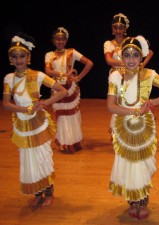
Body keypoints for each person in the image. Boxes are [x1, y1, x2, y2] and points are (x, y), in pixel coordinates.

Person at [107, 35, 159, 220]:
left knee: (143, 163)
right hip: (123, 126)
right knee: (127, 162)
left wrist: (152, 102)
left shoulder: (150, 74)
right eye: (127, 55)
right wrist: (133, 111)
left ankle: (143, 200)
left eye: (135, 55)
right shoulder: (116, 76)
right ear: (121, 57)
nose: (131, 59)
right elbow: (111, 106)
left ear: (141, 57)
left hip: (144, 127)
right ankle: (132, 200)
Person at [2, 32, 68, 208]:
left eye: (22, 56)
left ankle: (49, 192)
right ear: (10, 59)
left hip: (39, 124)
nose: (18, 60)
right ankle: (37, 192)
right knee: (28, 160)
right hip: (22, 125)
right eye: (14, 57)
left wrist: (44, 103)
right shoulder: (8, 78)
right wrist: (25, 109)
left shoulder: (38, 75)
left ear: (28, 56)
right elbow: (6, 104)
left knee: (42, 157)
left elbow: (63, 91)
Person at [104, 13, 154, 138]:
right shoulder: (108, 44)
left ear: (125, 29)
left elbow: (150, 52)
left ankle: (135, 127)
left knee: (132, 100)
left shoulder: (130, 41)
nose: (118, 30)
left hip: (133, 75)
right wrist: (129, 62)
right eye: (115, 27)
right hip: (117, 77)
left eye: (121, 27)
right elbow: (109, 61)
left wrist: (140, 64)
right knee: (117, 104)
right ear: (112, 28)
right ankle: (118, 130)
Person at [45, 27, 94, 154]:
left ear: (66, 41)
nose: (60, 41)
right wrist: (65, 74)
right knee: (61, 117)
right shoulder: (49, 55)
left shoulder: (71, 52)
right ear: (53, 40)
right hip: (58, 88)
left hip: (70, 88)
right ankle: (64, 143)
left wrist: (79, 77)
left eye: (62, 39)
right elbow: (48, 71)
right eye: (57, 39)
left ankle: (74, 142)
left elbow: (89, 63)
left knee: (72, 116)